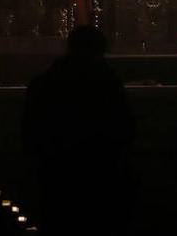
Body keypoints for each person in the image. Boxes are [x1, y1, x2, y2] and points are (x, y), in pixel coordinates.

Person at [22, 25, 134, 234]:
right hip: (100, 175)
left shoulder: (46, 81)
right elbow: (124, 126)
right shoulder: (105, 82)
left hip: (56, 175)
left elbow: (30, 130)